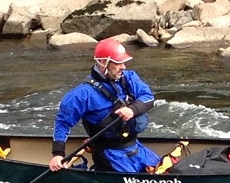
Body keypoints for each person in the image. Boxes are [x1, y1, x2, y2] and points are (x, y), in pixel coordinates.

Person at [48, 38, 160, 174]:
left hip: (134, 148)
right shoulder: (82, 94)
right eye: (118, 63)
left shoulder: (129, 78)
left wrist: (132, 109)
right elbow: (63, 123)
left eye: (123, 62)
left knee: (163, 170)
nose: (123, 67)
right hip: (110, 154)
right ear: (103, 62)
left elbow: (148, 98)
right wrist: (58, 154)